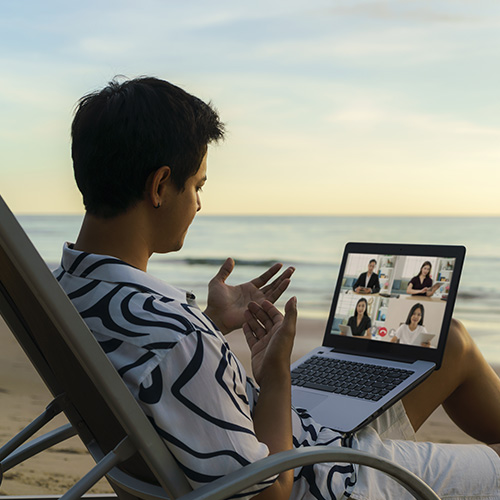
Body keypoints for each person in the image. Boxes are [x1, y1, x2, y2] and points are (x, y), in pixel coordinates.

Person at [55, 76, 500, 500]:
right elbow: (272, 491)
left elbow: (159, 374)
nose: (198, 204)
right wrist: (275, 375)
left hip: (299, 437)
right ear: (159, 186)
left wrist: (212, 324)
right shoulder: (179, 338)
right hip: (330, 477)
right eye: (196, 186)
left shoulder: (71, 292)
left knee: (451, 342)